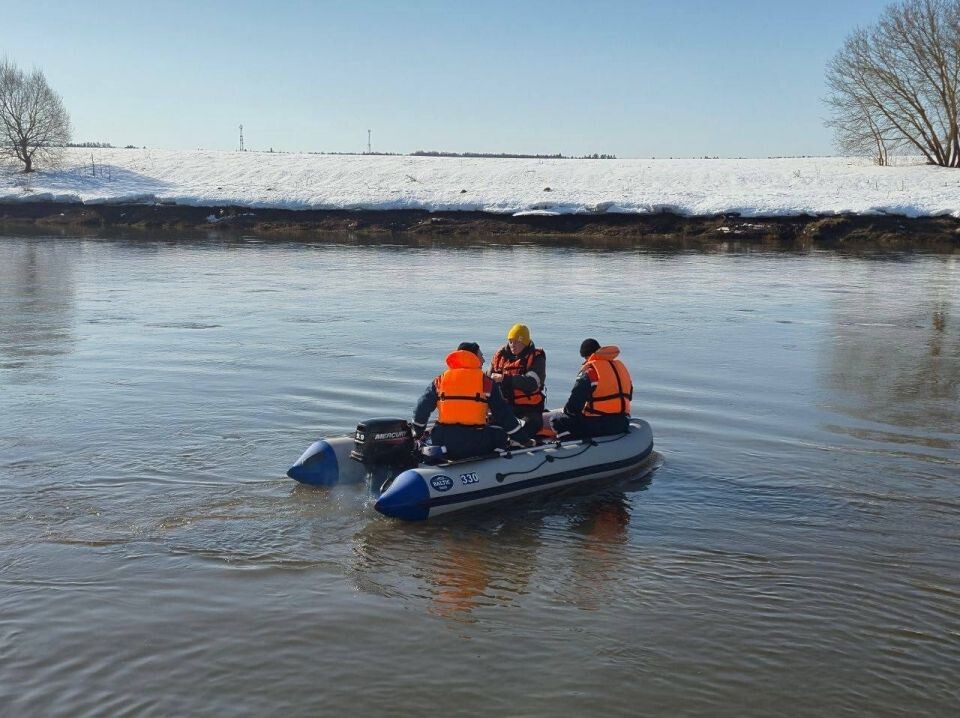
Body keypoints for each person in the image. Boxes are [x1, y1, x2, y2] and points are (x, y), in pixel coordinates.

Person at [412, 342, 530, 460]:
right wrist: (523, 439)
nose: (483, 360)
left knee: (434, 431)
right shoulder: (486, 382)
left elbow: (421, 409)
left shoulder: (440, 380)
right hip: (474, 442)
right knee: (500, 434)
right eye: (481, 356)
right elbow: (503, 415)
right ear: (473, 357)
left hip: (444, 441)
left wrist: (418, 432)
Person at [551, 338, 633, 440]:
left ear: (587, 356)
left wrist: (566, 414)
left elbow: (574, 406)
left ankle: (570, 443)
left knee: (556, 421)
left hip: (598, 424)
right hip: (622, 422)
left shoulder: (591, 371)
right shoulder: (621, 368)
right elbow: (629, 396)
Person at [489, 324, 547, 436]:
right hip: (504, 408)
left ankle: (519, 442)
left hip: (529, 409)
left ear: (525, 343)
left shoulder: (536, 358)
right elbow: (487, 380)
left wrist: (504, 379)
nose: (512, 345)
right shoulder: (500, 356)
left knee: (530, 425)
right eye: (510, 341)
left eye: (517, 342)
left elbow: (532, 383)